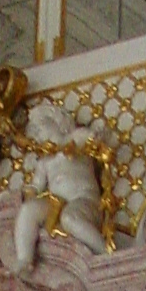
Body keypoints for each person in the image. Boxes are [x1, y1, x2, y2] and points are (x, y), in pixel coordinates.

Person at [9, 100, 117, 275]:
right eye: (34, 131)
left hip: (84, 201)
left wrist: (97, 135)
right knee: (28, 210)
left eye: (40, 126)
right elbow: (35, 186)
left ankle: (105, 255)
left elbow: (94, 140)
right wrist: (27, 194)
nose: (36, 133)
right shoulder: (45, 161)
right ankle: (24, 259)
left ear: (59, 123)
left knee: (70, 218)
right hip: (57, 204)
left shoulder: (74, 139)